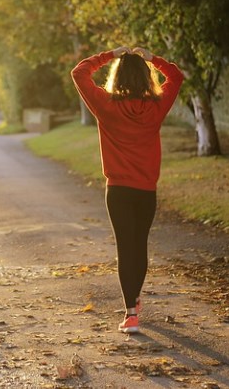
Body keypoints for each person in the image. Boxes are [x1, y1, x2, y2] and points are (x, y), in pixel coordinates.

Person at [71, 46, 185, 333]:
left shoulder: (105, 105)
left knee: (126, 248)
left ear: (117, 76)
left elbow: (79, 72)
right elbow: (176, 76)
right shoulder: (156, 107)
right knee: (139, 245)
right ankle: (134, 299)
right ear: (146, 78)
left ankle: (131, 313)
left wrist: (110, 54)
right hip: (146, 190)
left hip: (118, 191)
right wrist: (152, 59)